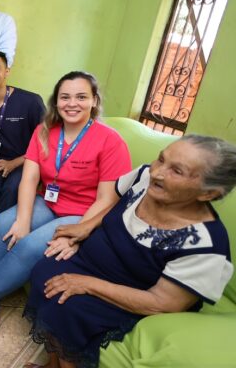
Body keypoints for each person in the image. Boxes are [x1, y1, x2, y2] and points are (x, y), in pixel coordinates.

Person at [0, 71, 132, 345]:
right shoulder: (44, 131)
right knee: (2, 224)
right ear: (56, 102)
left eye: (81, 97)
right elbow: (30, 178)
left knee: (31, 245)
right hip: (49, 200)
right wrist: (22, 219)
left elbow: (107, 199)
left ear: (94, 100)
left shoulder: (110, 140)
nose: (72, 103)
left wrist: (78, 233)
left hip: (84, 212)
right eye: (65, 97)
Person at [24, 135, 235, 368]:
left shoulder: (206, 245)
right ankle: (53, 364)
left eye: (176, 171)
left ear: (208, 194)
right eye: (161, 159)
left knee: (69, 307)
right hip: (94, 263)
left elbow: (161, 303)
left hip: (135, 289)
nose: (157, 172)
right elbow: (113, 202)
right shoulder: (144, 176)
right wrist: (86, 226)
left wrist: (87, 284)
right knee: (45, 270)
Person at [0, 50, 45, 212]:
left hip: (26, 160)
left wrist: (15, 162)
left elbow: (47, 140)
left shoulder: (31, 101)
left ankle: (1, 227)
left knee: (12, 189)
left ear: (7, 71)